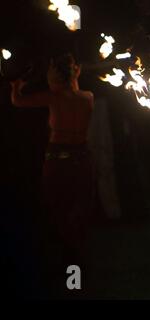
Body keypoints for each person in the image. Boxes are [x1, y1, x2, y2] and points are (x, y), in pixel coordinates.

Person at [10, 53, 94, 271]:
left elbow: (17, 101)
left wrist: (15, 85)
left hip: (57, 160)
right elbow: (72, 91)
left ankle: (67, 258)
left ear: (54, 76)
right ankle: (75, 257)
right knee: (77, 207)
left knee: (58, 208)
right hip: (81, 159)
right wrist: (74, 75)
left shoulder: (53, 97)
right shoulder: (88, 97)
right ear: (75, 73)